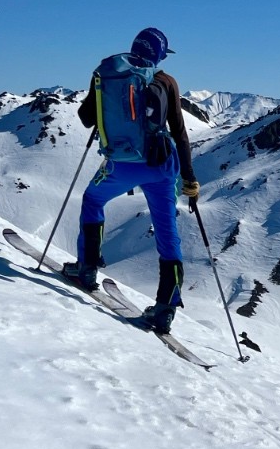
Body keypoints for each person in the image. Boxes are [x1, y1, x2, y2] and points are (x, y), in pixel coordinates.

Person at [61, 27, 200, 334]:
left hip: (122, 163)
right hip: (162, 166)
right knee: (167, 232)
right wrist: (190, 178)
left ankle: (86, 268)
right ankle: (165, 308)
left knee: (93, 200)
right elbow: (179, 131)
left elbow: (86, 118)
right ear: (160, 54)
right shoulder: (166, 81)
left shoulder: (108, 74)